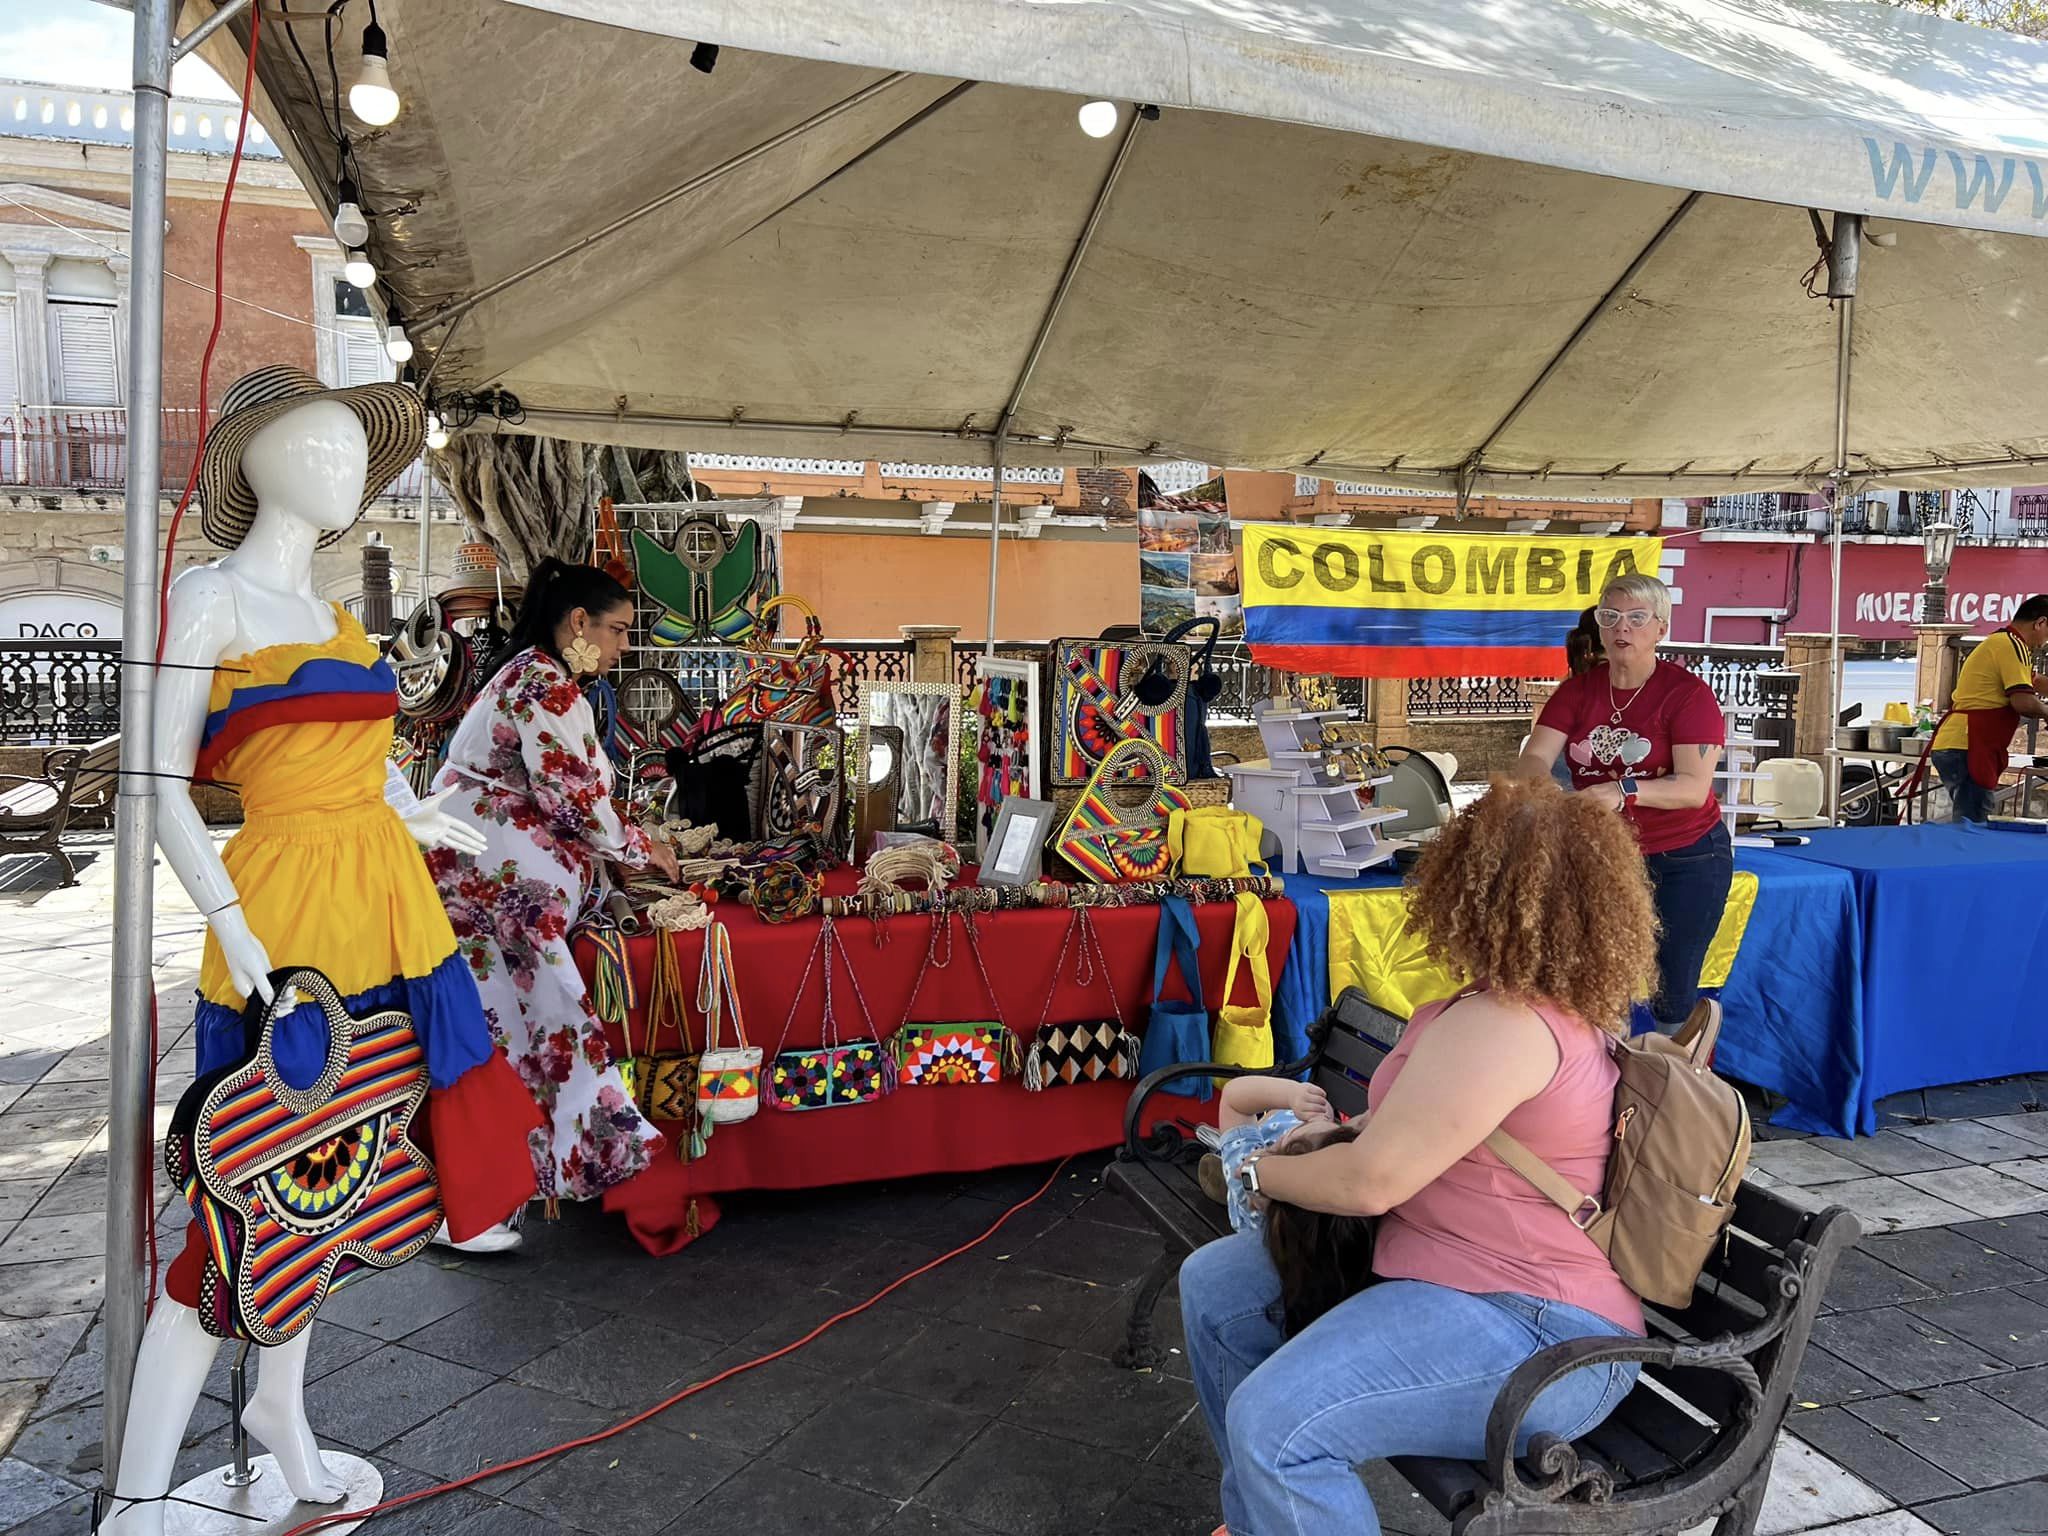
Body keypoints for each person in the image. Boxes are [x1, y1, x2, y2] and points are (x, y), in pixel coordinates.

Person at [1179, 779, 1647, 1536]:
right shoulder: (1497, 1006)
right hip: (1450, 1277)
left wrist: (1255, 1171)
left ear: (1471, 889)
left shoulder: (1509, 1024)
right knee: (1217, 1288)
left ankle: (1283, 1495)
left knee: (1279, 1428)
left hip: (1541, 1333)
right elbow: (1400, 1136)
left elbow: (1371, 1183)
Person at [429, 559, 682, 1212]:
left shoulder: (538, 677)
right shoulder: (545, 684)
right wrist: (639, 851)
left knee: (507, 1034)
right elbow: (572, 799)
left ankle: (501, 1185)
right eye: (620, 630)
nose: (625, 646)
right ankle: (534, 1174)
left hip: (482, 878)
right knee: (538, 1026)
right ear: (579, 622)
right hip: (491, 887)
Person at [1515, 573, 1730, 1033]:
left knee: (1671, 984)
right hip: (1604, 853)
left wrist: (1623, 790)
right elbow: (1535, 755)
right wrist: (1544, 791)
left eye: (1636, 618)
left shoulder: (1688, 695)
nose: (1621, 629)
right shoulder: (1578, 692)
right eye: (1610, 617)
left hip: (1685, 857)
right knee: (1594, 974)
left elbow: (1692, 788)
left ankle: (1671, 1085)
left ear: (1661, 629)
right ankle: (1596, 1081)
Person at [1926, 596, 2048, 822]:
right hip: (1968, 744)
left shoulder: (2002, 643)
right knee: (1973, 826)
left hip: (1960, 742)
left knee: (1968, 819)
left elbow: (2035, 681)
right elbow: (2023, 702)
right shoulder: (2013, 645)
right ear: (2040, 623)